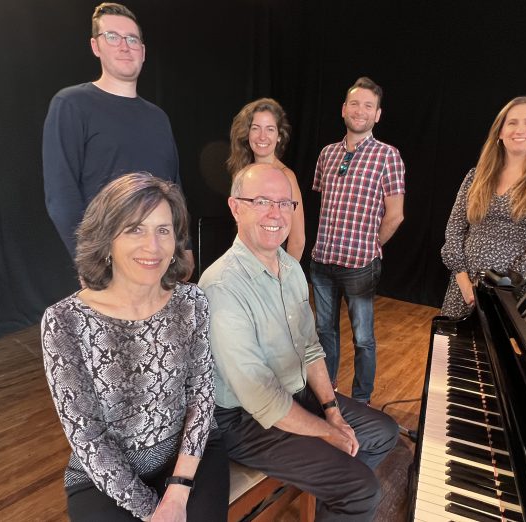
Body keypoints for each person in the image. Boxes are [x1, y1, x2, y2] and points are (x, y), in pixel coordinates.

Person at [199, 164, 399, 521]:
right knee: (361, 489)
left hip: (294, 392)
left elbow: (309, 348)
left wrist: (332, 410)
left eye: (285, 203)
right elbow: (261, 396)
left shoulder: (290, 269)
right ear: (236, 207)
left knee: (384, 432)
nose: (276, 214)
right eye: (262, 201)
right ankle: (341, 493)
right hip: (244, 420)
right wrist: (328, 433)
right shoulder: (221, 286)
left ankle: (328, 503)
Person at [41, 173, 228, 521]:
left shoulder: (191, 302)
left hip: (189, 455)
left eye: (163, 230)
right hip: (104, 476)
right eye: (135, 229)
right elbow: (88, 436)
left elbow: (201, 395)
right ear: (106, 238)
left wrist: (178, 491)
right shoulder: (64, 321)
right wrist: (153, 510)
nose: (153, 246)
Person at [42, 2, 194, 277]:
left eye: (132, 39)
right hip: (107, 267)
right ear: (96, 46)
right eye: (113, 37)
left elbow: (174, 188)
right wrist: (92, 264)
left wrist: (185, 248)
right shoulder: (72, 104)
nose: (124, 46)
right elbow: (61, 197)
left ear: (143, 52)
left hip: (159, 264)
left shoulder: (158, 117)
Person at [310, 77, 405, 403]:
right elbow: (325, 203)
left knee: (363, 339)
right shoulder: (327, 154)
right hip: (322, 261)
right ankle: (328, 395)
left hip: (360, 265)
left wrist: (370, 246)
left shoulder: (388, 156)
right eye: (354, 103)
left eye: (368, 105)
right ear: (343, 109)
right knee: (324, 332)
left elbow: (395, 215)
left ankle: (362, 401)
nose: (360, 110)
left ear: (377, 114)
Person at [441, 95, 526, 318]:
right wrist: (462, 279)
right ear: (500, 132)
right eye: (512, 123)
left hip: (513, 293)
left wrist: (503, 285)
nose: (520, 129)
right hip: (464, 286)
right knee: (452, 340)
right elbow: (454, 228)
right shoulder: (476, 176)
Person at [226, 98, 305, 260]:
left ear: (279, 136)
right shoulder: (242, 173)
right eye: (256, 128)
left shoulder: (286, 177)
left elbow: (297, 241)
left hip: (273, 265)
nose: (262, 136)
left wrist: (285, 274)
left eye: (270, 129)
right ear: (247, 133)